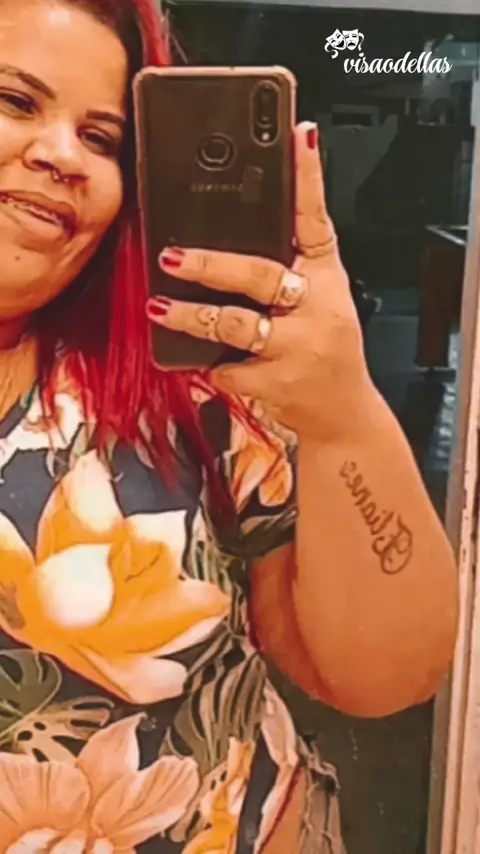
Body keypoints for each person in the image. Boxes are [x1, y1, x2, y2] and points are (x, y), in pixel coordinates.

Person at [0, 1, 458, 852]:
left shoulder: (185, 395)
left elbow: (384, 675)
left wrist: (343, 414)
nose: (62, 154)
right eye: (15, 100)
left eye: (101, 138)